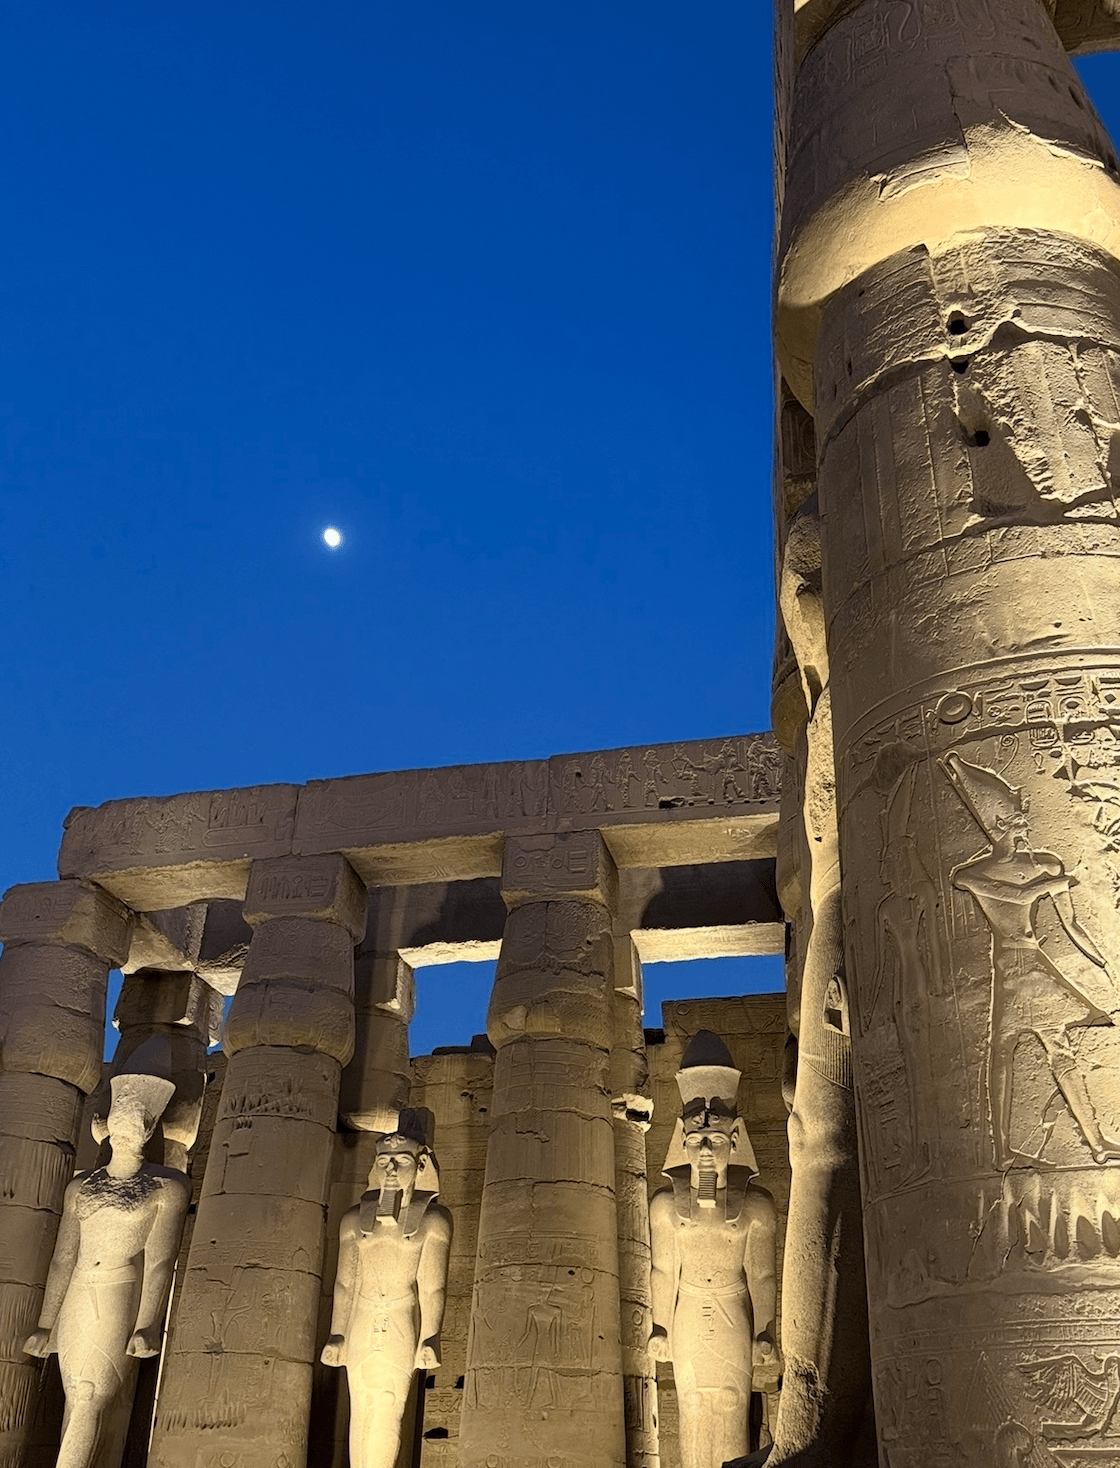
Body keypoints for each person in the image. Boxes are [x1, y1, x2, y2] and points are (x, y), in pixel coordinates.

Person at [942, 750, 1120, 1169]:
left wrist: (1102, 963)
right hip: (1012, 967)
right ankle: (1002, 1150)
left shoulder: (1045, 863)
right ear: (999, 824)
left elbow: (1073, 926)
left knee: (1053, 1049)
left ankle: (1094, 1142)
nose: (1026, 825)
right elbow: (1020, 897)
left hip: (1032, 963)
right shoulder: (974, 874)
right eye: (1019, 819)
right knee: (1005, 1050)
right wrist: (1052, 884)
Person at [24, 1072, 189, 1468]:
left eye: (136, 1120)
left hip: (118, 1290)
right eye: (121, 1117)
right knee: (72, 1395)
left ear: (148, 1129)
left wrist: (148, 1323)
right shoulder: (82, 1185)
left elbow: (160, 1260)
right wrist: (47, 1323)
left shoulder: (167, 1186)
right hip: (79, 1290)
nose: (126, 1125)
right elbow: (64, 1256)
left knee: (89, 1394)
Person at [648, 1031, 777, 1468]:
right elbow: (664, 1270)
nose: (705, 1152)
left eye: (716, 1142)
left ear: (735, 1140)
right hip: (687, 1312)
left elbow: (761, 1274)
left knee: (730, 1402)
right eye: (696, 1142)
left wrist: (766, 1329)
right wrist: (660, 1326)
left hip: (732, 1310)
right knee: (691, 1404)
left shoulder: (756, 1206)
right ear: (681, 1141)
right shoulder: (666, 1206)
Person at [320, 1129, 453, 1468]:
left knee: (389, 1406)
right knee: (361, 1405)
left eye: (401, 1162)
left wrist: (430, 1337)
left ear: (421, 1166)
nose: (391, 1170)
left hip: (399, 1320)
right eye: (384, 1162)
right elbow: (345, 1284)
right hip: (362, 1320)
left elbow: (432, 1286)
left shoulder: (433, 1221)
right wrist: (338, 1334)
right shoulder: (354, 1219)